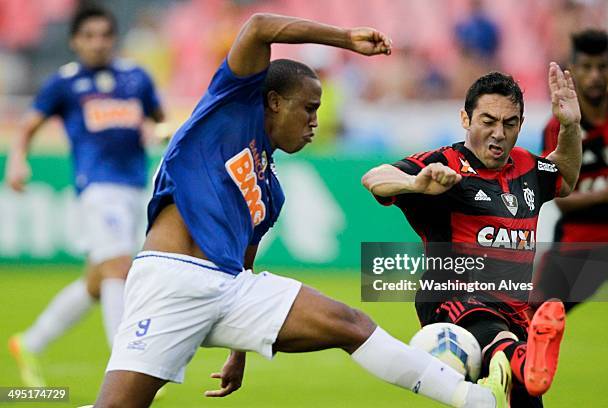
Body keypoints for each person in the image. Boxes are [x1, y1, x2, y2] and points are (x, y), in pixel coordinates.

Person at [92, 13, 510, 408]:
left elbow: (244, 266)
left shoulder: (270, 191)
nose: (315, 122)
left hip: (230, 289)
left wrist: (240, 349)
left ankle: (479, 400)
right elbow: (259, 27)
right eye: (309, 108)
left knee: (351, 323)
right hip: (170, 280)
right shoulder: (229, 108)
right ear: (273, 101)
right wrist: (345, 39)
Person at [362, 63, 582, 407]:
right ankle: (513, 357)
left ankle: (517, 361)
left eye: (510, 124)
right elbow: (375, 176)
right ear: (465, 119)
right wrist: (415, 183)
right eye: (488, 121)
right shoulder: (446, 164)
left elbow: (565, 177)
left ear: (521, 125)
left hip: (513, 315)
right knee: (496, 337)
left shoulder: (527, 166)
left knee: (520, 392)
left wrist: (569, 126)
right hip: (454, 302)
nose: (499, 133)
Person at [6, 5, 165, 387]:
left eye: (104, 35)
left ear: (114, 38)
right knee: (119, 269)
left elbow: (160, 119)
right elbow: (27, 126)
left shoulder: (135, 77)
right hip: (96, 188)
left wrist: (161, 131)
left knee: (99, 279)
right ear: (75, 41)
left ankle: (29, 342)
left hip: (132, 187)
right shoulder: (64, 83)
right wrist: (17, 161)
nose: (97, 43)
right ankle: (125, 370)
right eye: (89, 36)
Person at [533, 29, 608, 311]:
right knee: (538, 314)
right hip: (579, 241)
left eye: (602, 67)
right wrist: (604, 196)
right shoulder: (559, 128)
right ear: (573, 70)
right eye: (587, 67)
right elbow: (560, 198)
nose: (595, 76)